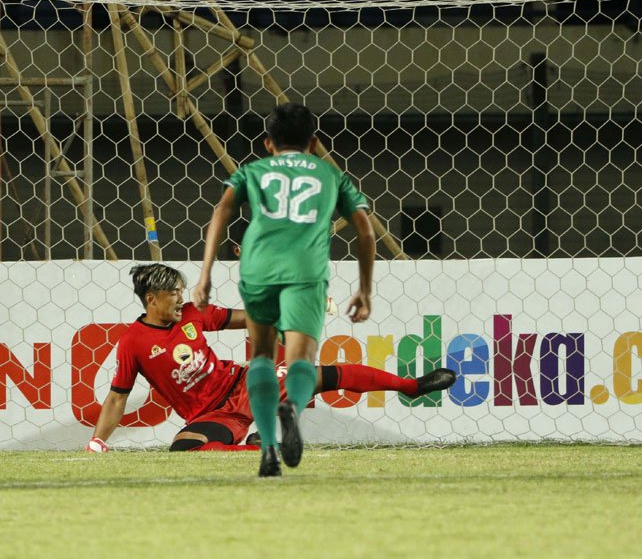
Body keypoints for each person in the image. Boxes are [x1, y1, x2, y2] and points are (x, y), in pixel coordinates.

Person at [88, 264, 455, 454]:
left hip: (245, 384)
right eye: (173, 295)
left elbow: (251, 316)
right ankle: (258, 447)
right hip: (210, 415)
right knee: (185, 449)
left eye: (182, 292)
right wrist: (99, 441)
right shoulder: (132, 343)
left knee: (320, 374)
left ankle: (411, 386)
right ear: (152, 299)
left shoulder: (193, 314)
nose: (181, 299)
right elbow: (118, 396)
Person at [193, 103, 370, 476]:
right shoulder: (331, 175)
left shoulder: (252, 170)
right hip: (305, 270)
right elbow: (365, 230)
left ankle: (269, 448)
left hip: (258, 268)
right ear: (315, 142)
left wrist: (205, 275)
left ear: (268, 143)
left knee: (260, 355)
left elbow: (221, 211)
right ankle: (292, 407)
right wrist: (365, 289)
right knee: (300, 360)